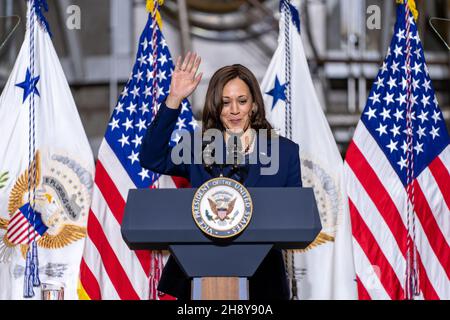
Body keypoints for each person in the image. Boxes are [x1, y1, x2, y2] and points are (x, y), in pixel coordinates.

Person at [139, 52, 302, 300]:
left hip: (264, 282)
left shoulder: (285, 152)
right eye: (225, 102)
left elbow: (295, 219)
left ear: (254, 104)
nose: (234, 110)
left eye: (242, 100)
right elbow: (151, 157)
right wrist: (174, 99)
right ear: (216, 106)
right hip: (199, 278)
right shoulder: (196, 149)